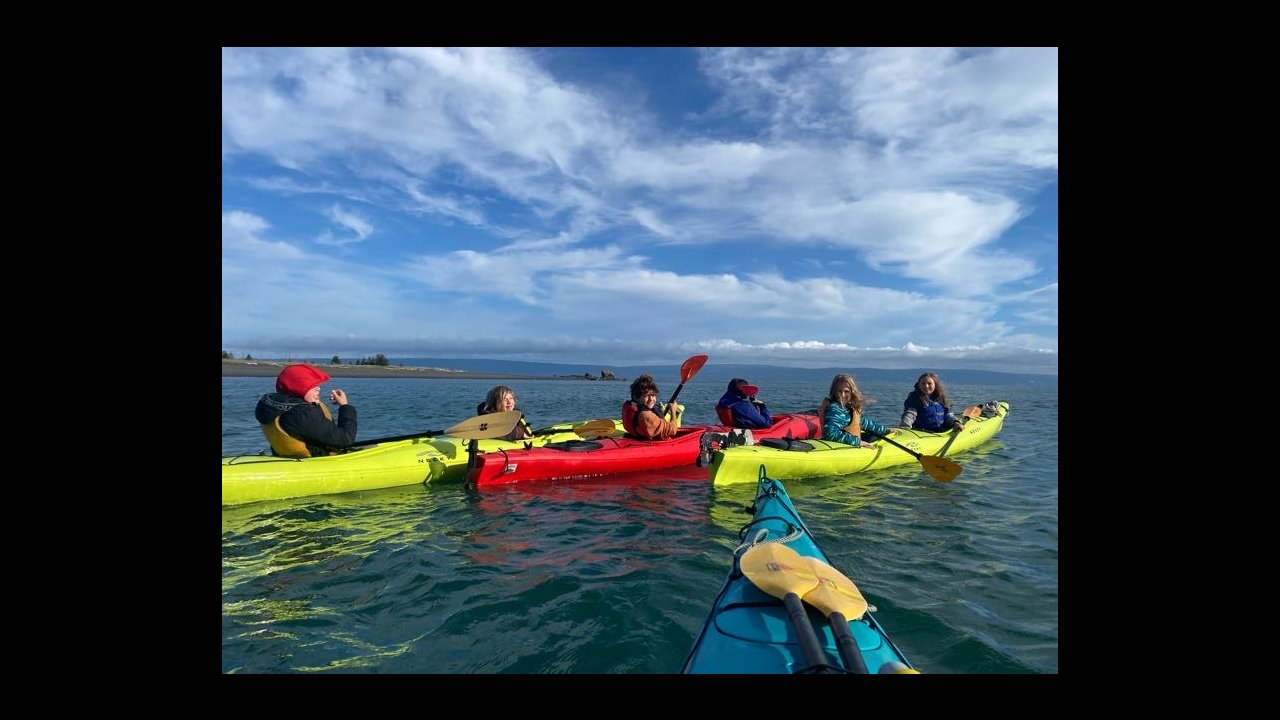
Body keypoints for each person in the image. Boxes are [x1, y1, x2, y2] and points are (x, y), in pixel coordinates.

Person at [254, 364, 357, 457]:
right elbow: (346, 439)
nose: (318, 389)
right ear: (298, 388)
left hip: (284, 458)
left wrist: (315, 405)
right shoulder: (302, 414)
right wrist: (344, 406)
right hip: (313, 462)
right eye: (312, 386)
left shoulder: (268, 404)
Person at [818, 373, 892, 448]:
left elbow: (862, 422)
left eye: (846, 391)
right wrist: (858, 442)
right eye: (839, 391)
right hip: (840, 448)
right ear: (834, 392)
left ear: (852, 392)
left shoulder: (847, 408)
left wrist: (884, 430)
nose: (842, 395)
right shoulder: (835, 409)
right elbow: (830, 433)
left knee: (873, 436)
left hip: (847, 444)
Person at [621, 373, 683, 439]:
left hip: (635, 437)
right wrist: (673, 410)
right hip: (649, 444)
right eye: (646, 396)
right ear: (636, 397)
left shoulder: (631, 407)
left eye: (653, 395)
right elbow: (673, 431)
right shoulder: (646, 415)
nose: (651, 399)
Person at [899, 372, 964, 432]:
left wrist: (955, 422)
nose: (926, 386)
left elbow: (947, 415)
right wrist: (904, 429)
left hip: (941, 432)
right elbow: (909, 414)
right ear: (918, 385)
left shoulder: (940, 397)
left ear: (935, 384)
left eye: (929, 383)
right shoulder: (914, 397)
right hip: (922, 433)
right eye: (923, 383)